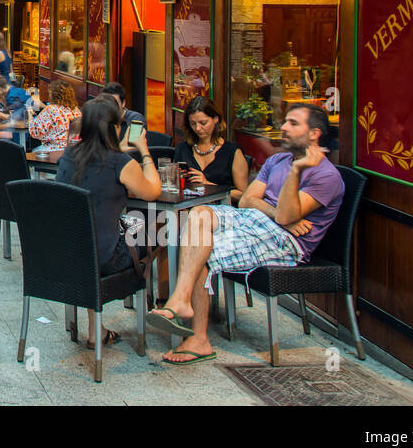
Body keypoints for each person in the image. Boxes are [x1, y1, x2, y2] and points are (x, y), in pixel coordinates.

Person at [146, 104, 345, 366]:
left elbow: (286, 219)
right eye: (285, 121)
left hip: (286, 241)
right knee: (200, 214)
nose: (283, 127)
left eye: (293, 123)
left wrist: (297, 172)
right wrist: (276, 212)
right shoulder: (277, 160)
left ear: (314, 134)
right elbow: (247, 199)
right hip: (257, 221)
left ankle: (199, 339)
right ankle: (181, 299)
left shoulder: (326, 176)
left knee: (203, 248)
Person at [55, 97, 162, 349]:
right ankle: (159, 300)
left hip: (67, 254)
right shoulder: (121, 164)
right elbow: (152, 192)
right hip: (106, 258)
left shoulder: (68, 156)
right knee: (163, 230)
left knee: (94, 233)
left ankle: (96, 330)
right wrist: (144, 151)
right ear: (115, 128)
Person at [174, 96, 250, 202]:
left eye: (203, 123)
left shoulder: (232, 152)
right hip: (185, 209)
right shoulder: (182, 149)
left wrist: (208, 185)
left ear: (215, 119)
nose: (198, 128)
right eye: (193, 123)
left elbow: (243, 195)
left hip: (220, 212)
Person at [28, 79, 82, 151]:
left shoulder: (50, 109)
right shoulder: (76, 110)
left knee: (32, 152)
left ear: (53, 94)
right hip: (73, 150)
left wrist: (30, 114)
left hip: (54, 150)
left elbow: (35, 132)